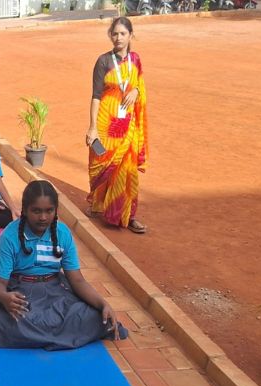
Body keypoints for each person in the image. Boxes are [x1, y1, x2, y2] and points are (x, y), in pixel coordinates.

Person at [0, 180, 128, 349]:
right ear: (25, 210)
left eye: (49, 211)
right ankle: (56, 335)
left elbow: (77, 280)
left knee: (99, 317)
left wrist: (103, 304)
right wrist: (5, 298)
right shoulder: (9, 236)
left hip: (54, 292)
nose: (43, 217)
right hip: (19, 292)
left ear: (55, 210)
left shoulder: (63, 233)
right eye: (36, 211)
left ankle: (35, 335)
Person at [85, 17, 148, 234]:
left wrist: (136, 91)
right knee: (100, 164)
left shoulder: (135, 60)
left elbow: (140, 84)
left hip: (128, 123)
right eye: (115, 34)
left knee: (127, 170)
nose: (118, 38)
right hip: (106, 122)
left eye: (123, 33)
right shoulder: (103, 61)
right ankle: (98, 203)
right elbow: (96, 96)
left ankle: (128, 215)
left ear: (130, 35)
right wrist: (92, 127)